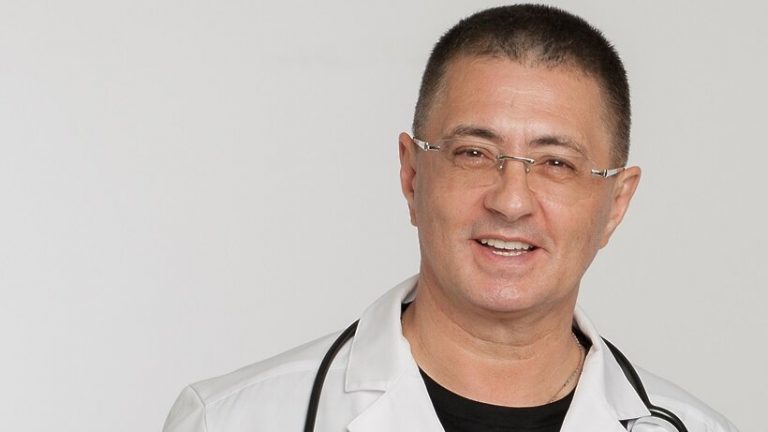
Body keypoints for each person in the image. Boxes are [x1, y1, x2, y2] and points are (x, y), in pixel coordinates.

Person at [163, 5, 738, 432]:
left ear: (616, 203)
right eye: (474, 153)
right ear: (412, 174)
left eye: (557, 163)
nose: (511, 202)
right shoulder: (228, 420)